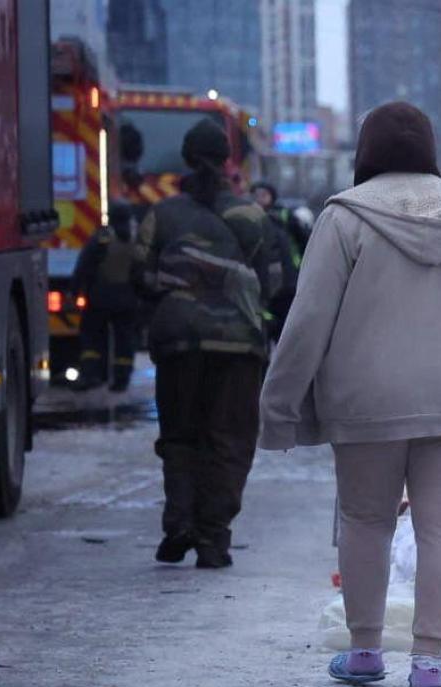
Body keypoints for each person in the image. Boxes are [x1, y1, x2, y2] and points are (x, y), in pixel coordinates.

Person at [259, 101, 441, 687]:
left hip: (367, 401)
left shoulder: (345, 218)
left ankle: (365, 651)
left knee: (366, 521)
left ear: (366, 151)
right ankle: (428, 663)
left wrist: (278, 409)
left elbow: (307, 320)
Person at [134, 118, 280, 569]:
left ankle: (179, 522)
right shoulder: (251, 216)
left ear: (185, 158)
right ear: (227, 160)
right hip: (239, 347)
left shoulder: (162, 214)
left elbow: (140, 276)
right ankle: (213, 539)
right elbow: (274, 283)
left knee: (180, 436)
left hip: (178, 343)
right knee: (230, 441)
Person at [69, 200, 142, 392]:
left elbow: (84, 265)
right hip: (127, 299)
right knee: (125, 340)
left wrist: (75, 290)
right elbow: (141, 270)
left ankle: (92, 375)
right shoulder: (136, 239)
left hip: (99, 298)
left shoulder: (102, 238)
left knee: (92, 336)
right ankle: (121, 380)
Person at [248, 181, 301, 341]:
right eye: (256, 195)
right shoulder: (248, 218)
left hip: (288, 281)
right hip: (263, 282)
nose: (259, 199)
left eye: (263, 194)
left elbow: (303, 240)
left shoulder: (284, 216)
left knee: (285, 327)